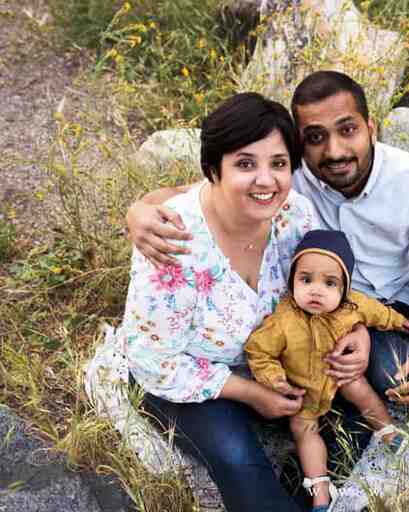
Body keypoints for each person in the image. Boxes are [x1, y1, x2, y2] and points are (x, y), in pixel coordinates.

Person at [126, 71, 409, 499]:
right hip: (332, 315)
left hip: (406, 293)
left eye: (347, 129)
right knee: (387, 377)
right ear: (303, 147)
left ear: (372, 127)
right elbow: (194, 191)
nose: (333, 151)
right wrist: (138, 212)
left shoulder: (407, 183)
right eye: (315, 138)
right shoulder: (288, 185)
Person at [118, 91, 375, 512]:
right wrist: (252, 394)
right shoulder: (174, 239)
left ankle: (303, 491)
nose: (266, 180)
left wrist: (357, 329)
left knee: (360, 409)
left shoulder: (295, 215)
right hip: (189, 376)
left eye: (278, 164)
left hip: (274, 357)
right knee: (237, 457)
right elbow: (153, 359)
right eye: (244, 164)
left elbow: (328, 283)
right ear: (212, 169)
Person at [245, 229, 409, 512]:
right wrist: (276, 380)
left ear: (344, 289)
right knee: (303, 429)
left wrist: (396, 321)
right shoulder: (283, 320)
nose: (315, 290)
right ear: (292, 281)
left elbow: (376, 311)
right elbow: (258, 351)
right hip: (304, 389)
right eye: (306, 279)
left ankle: (386, 429)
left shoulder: (351, 307)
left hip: (339, 376)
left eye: (329, 283)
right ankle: (321, 492)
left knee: (362, 392)